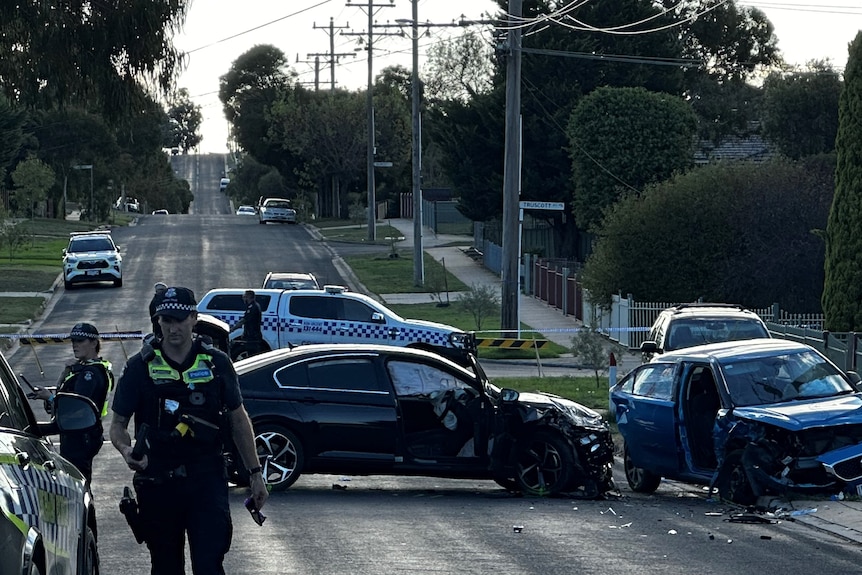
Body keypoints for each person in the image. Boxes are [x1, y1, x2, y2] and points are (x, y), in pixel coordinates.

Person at [109, 286, 267, 575]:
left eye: (180, 319)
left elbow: (238, 418)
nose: (173, 327)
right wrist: (126, 450)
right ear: (158, 321)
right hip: (158, 481)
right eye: (166, 320)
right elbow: (117, 425)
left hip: (206, 480)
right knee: (166, 566)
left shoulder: (217, 363)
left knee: (209, 564)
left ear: (194, 318)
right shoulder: (139, 367)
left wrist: (255, 474)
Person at [34, 322, 113, 482]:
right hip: (79, 432)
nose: (74, 345)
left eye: (80, 341)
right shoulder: (84, 369)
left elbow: (75, 407)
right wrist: (66, 371)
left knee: (76, 483)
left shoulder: (89, 374)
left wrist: (49, 397)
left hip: (80, 435)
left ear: (94, 343)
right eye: (73, 341)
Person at [231, 289, 263, 358]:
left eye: (244, 297)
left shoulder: (253, 307)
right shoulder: (253, 306)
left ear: (249, 297)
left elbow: (244, 320)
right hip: (251, 335)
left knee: (252, 356)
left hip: (252, 337)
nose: (243, 298)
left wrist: (232, 329)